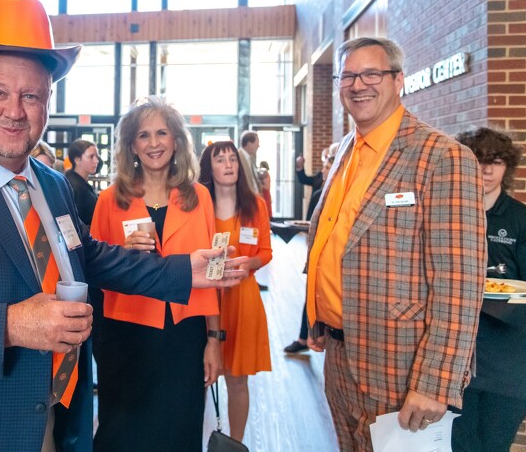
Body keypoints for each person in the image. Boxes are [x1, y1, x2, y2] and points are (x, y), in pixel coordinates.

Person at [0, 0, 248, 452]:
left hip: (59, 421)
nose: (15, 111)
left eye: (30, 95)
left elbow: (89, 256)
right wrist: (10, 325)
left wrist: (183, 271)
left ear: (47, 102)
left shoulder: (52, 185)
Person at [305, 37, 486, 450]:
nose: (358, 85)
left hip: (402, 368)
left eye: (372, 73)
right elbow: (333, 241)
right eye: (348, 75)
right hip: (339, 355)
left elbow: (459, 283)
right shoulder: (346, 152)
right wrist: (318, 316)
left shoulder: (443, 158)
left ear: (398, 80)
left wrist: (436, 380)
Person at [90, 97, 222, 452]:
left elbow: (211, 274)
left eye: (162, 133)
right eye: (144, 135)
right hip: (124, 333)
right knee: (122, 432)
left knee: (179, 429)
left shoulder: (200, 198)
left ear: (176, 140)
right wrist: (125, 255)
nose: (153, 143)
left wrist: (214, 338)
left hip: (184, 334)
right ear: (131, 144)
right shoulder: (109, 201)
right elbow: (94, 269)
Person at [452, 127, 526, 452]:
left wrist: (480, 287)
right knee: (459, 445)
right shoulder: (449, 215)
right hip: (456, 358)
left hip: (508, 360)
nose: (486, 170)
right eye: (478, 160)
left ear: (506, 167)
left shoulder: (520, 219)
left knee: (494, 446)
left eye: (495, 162)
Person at [198, 140, 273, 442]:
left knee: (238, 381)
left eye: (232, 159)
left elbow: (266, 251)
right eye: (220, 159)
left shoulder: (255, 205)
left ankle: (236, 444)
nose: (228, 165)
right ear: (209, 167)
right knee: (200, 376)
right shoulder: (199, 207)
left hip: (243, 297)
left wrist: (250, 263)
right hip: (205, 298)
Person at [284, 152, 335, 355]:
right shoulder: (317, 195)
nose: (323, 171)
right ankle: (305, 337)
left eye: (327, 167)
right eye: (324, 167)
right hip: (318, 255)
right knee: (311, 295)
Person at [64, 139, 99, 227]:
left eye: (96, 156)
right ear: (77, 159)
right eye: (91, 156)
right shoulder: (73, 186)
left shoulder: (80, 183)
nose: (96, 161)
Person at [238, 130, 260, 195]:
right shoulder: (237, 157)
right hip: (246, 198)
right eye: (257, 143)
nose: (258, 146)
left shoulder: (251, 158)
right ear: (249, 144)